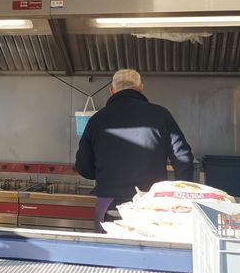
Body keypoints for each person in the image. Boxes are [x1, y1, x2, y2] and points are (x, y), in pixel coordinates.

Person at [75, 69, 193, 232]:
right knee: (150, 252)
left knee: (106, 252)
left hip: (109, 201)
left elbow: (84, 168)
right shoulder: (160, 115)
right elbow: (183, 158)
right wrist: (179, 196)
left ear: (112, 90)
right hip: (151, 204)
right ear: (140, 88)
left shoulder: (96, 120)